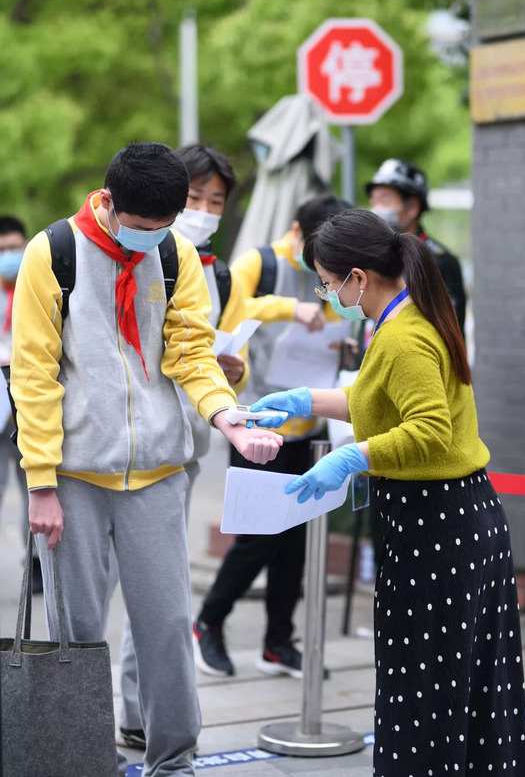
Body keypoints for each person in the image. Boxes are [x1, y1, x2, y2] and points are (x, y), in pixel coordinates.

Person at [10, 142, 282, 777]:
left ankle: (173, 761)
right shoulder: (52, 255)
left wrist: (226, 416)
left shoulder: (174, 251)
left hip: (158, 471)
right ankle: (82, 757)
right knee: (77, 632)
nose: (150, 241)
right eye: (140, 230)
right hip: (74, 476)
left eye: (162, 230)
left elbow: (191, 351)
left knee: (164, 627)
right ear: (108, 203)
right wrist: (40, 483)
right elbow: (34, 375)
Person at [250, 208, 525, 776]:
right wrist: (304, 401)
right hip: (445, 524)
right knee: (452, 690)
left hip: (442, 530)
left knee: (428, 694)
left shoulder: (405, 336)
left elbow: (429, 430)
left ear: (358, 276)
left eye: (327, 282)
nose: (325, 292)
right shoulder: (403, 318)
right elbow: (376, 402)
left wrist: (355, 457)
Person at [115, 143, 251, 752]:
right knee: (133, 584)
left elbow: (199, 353)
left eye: (214, 201)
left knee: (159, 584)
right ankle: (130, 711)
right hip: (116, 441)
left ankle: (143, 714)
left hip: (187, 439)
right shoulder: (121, 251)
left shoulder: (214, 269)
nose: (202, 209)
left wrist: (230, 375)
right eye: (194, 197)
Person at [193, 193, 347, 680]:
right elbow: (226, 315)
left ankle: (278, 642)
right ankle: (208, 624)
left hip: (311, 424)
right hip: (255, 423)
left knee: (296, 541)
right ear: (298, 234)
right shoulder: (257, 262)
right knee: (256, 535)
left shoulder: (338, 265)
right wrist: (291, 308)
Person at [365, 158, 466, 334]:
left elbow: (448, 332)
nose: (376, 209)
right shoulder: (370, 253)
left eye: (385, 200)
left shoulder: (439, 262)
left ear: (412, 207)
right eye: (373, 201)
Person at [0, 216, 43, 593]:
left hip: (29, 407)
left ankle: (37, 565)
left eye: (15, 248)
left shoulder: (40, 284)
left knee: (36, 488)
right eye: (2, 251)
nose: (10, 256)